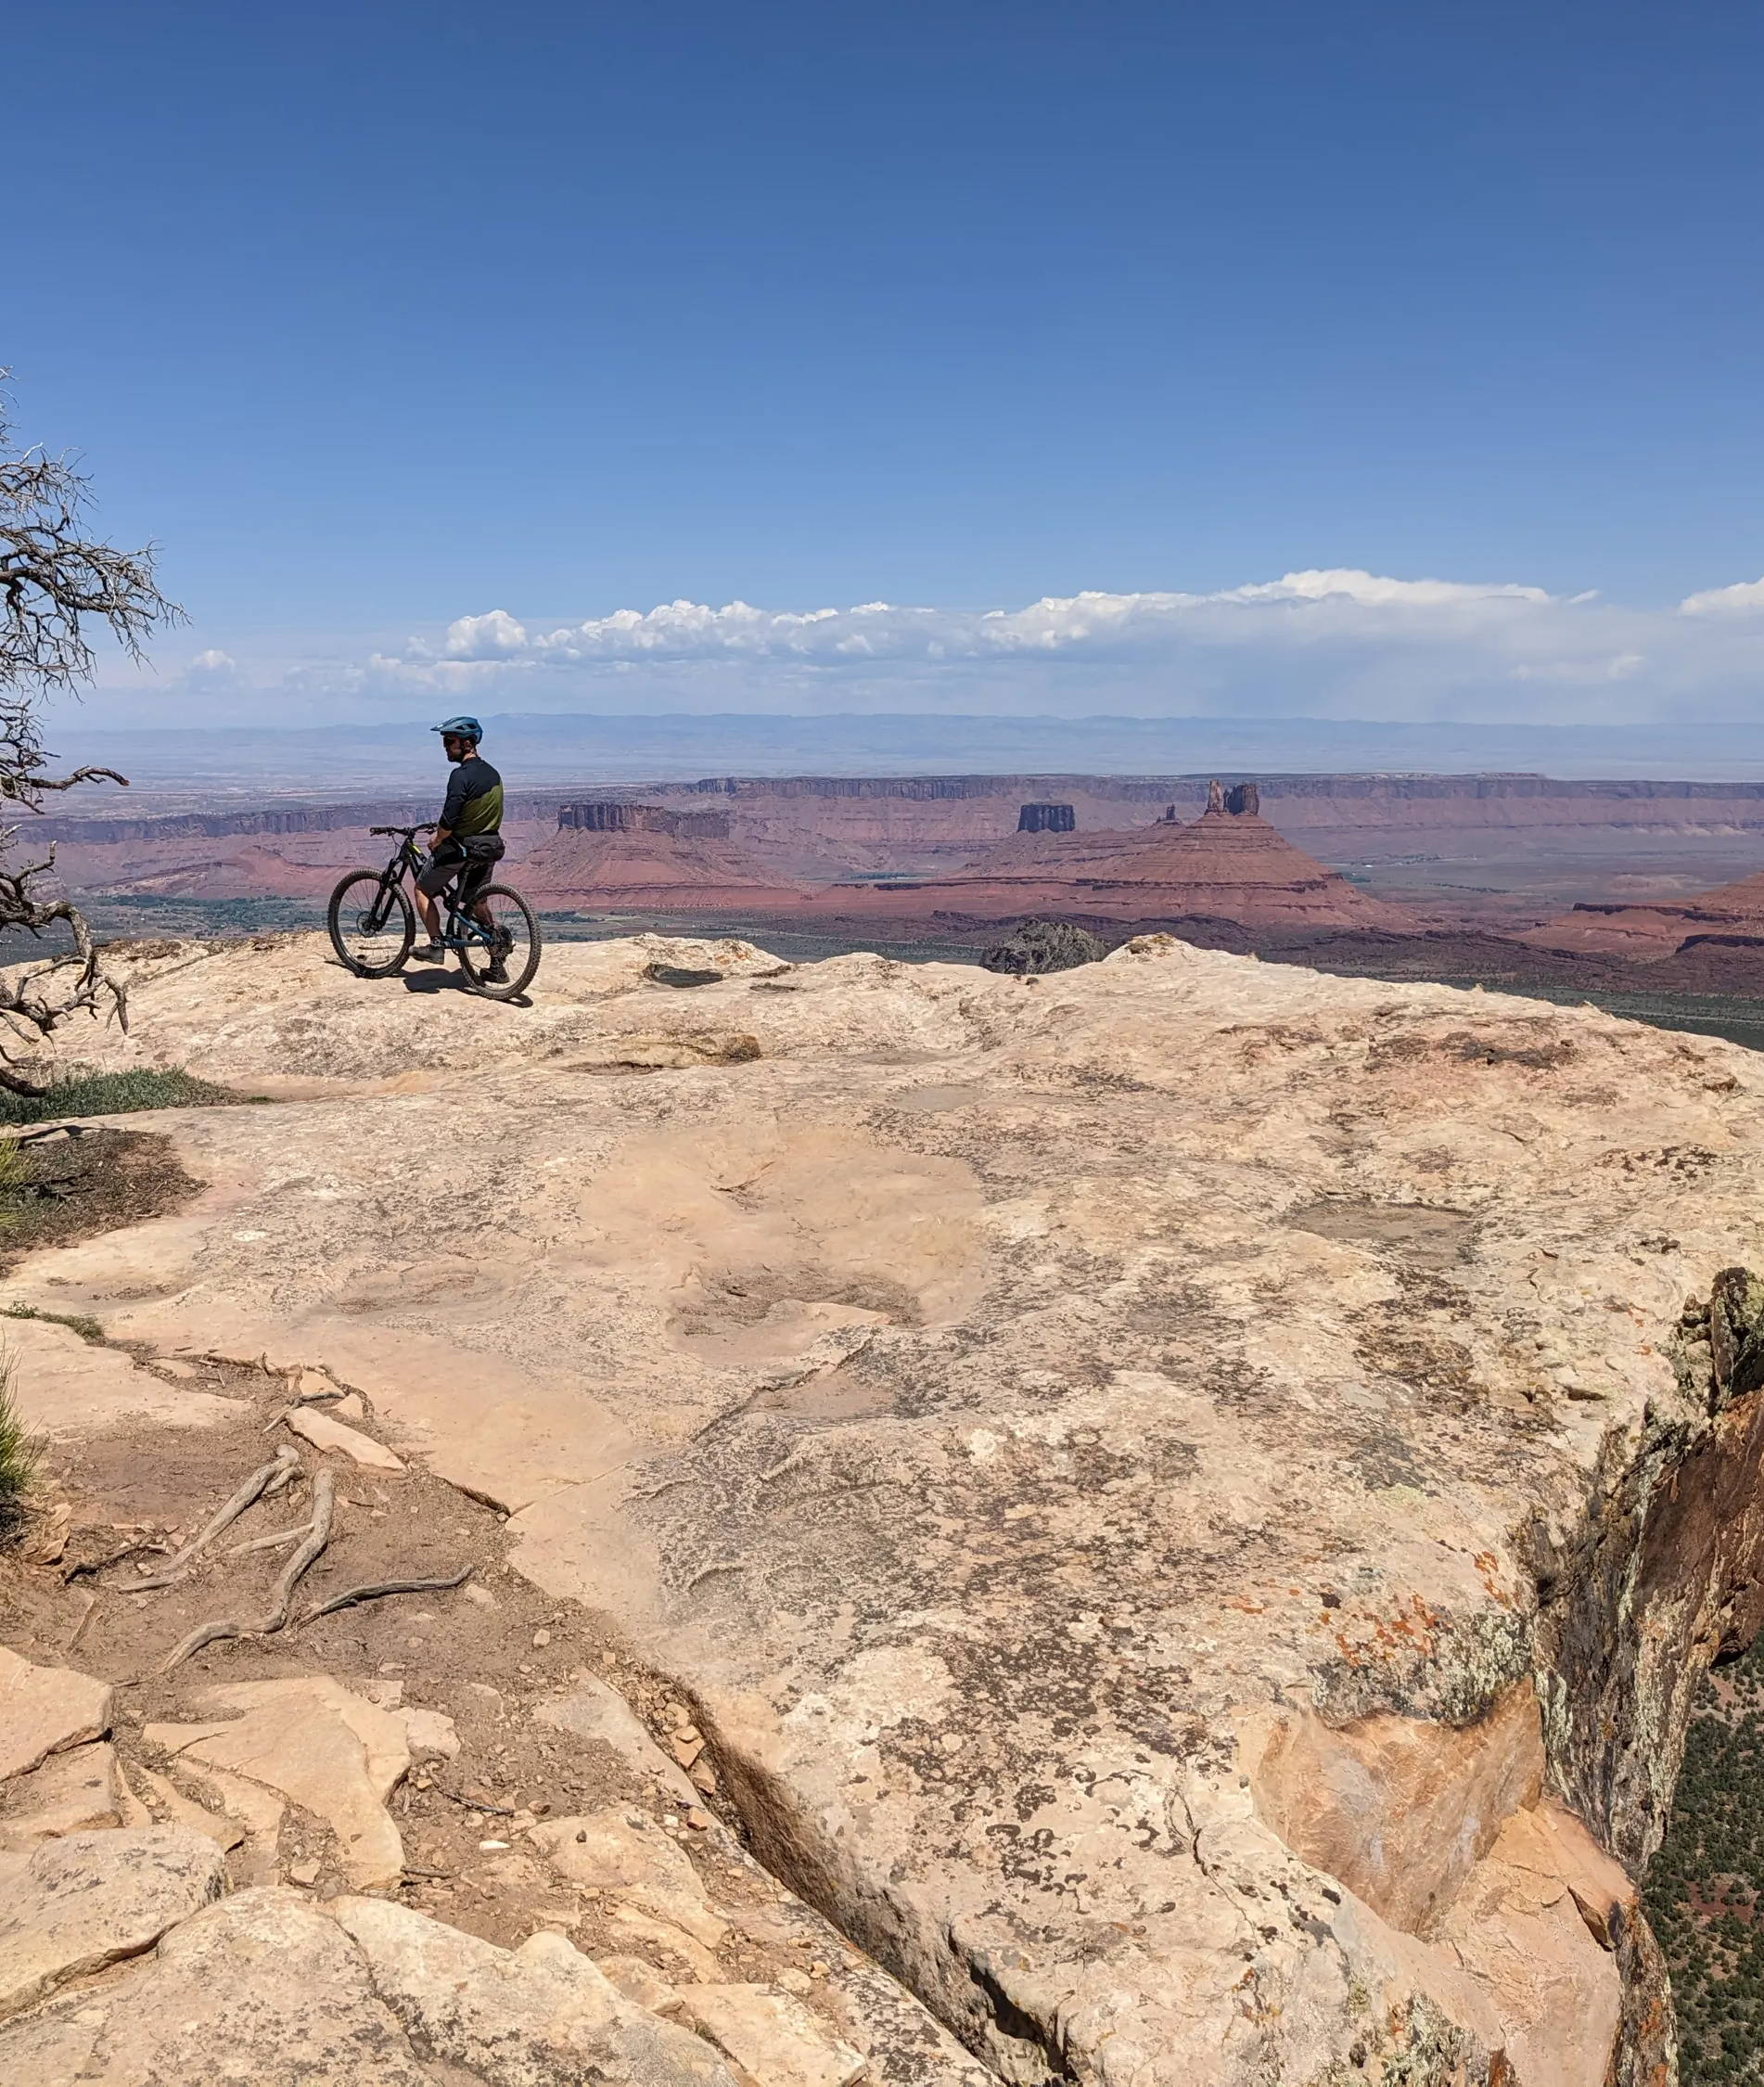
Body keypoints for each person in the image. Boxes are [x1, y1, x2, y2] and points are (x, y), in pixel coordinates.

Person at [412, 715, 508, 978]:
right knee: (476, 902)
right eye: (444, 742)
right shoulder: (493, 773)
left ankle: (436, 946)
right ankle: (498, 962)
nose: (445, 746)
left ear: (467, 743)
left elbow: (450, 817)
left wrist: (437, 839)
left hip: (463, 848)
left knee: (422, 888)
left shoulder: (460, 776)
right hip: (489, 846)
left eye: (449, 741)